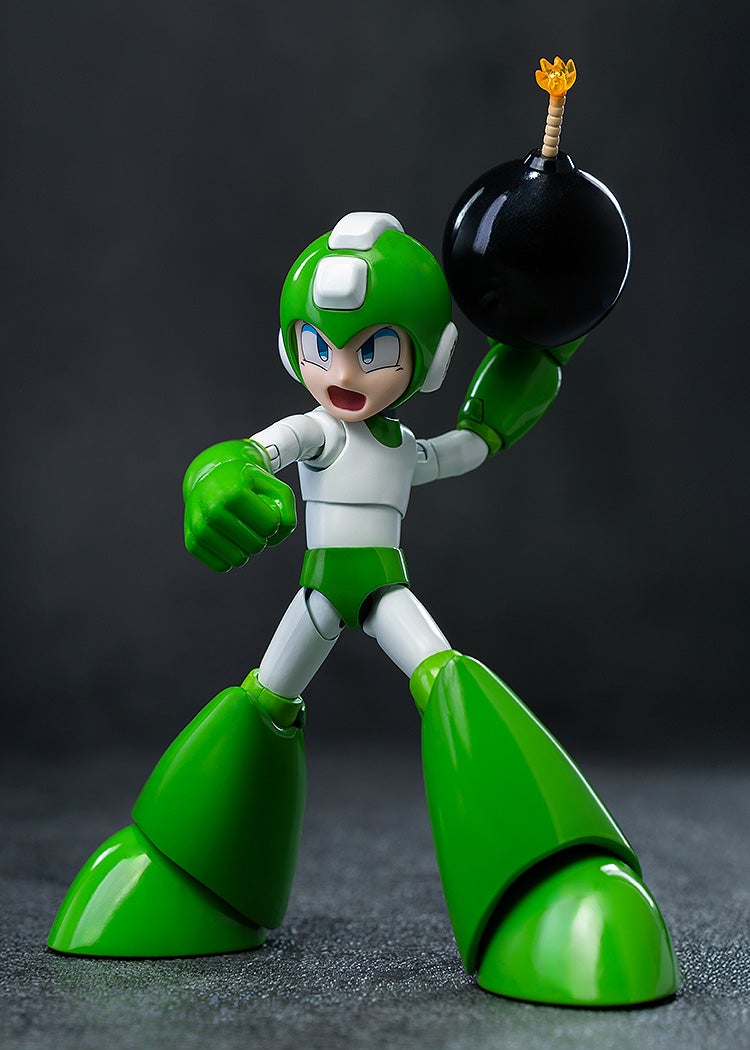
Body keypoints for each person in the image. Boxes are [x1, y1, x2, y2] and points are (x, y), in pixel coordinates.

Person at [48, 212, 679, 1007]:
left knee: (447, 680)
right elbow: (249, 452)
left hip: (384, 592)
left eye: (375, 351)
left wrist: (541, 354)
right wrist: (214, 480)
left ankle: (541, 880)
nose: (341, 371)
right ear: (292, 351)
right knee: (264, 702)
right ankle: (186, 872)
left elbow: (473, 442)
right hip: (318, 595)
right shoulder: (315, 431)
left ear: (431, 360)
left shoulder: (401, 448)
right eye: (319, 347)